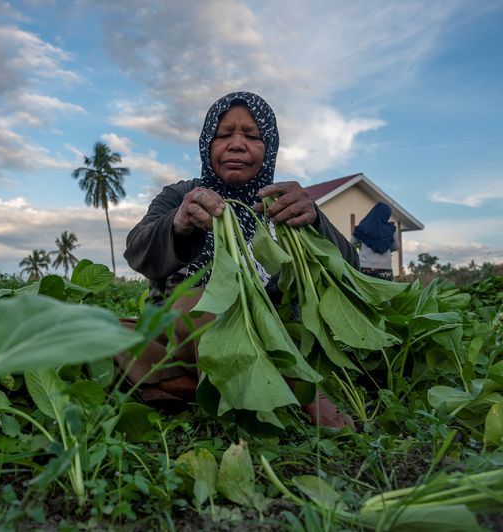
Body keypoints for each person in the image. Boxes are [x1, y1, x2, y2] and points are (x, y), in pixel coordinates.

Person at [121, 91, 359, 429]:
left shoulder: (285, 205)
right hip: (183, 337)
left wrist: (316, 219)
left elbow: (349, 267)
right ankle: (270, 384)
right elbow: (136, 252)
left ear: (269, 147)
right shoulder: (179, 195)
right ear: (207, 144)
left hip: (274, 338)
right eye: (223, 135)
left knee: (242, 317)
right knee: (110, 329)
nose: (236, 145)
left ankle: (219, 385)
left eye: (251, 136)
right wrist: (178, 222)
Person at [351, 202, 398, 280]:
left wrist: (360, 246)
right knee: (384, 291)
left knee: (364, 291)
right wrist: (386, 247)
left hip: (364, 267)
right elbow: (396, 246)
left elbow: (351, 243)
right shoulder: (391, 229)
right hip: (385, 269)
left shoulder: (363, 226)